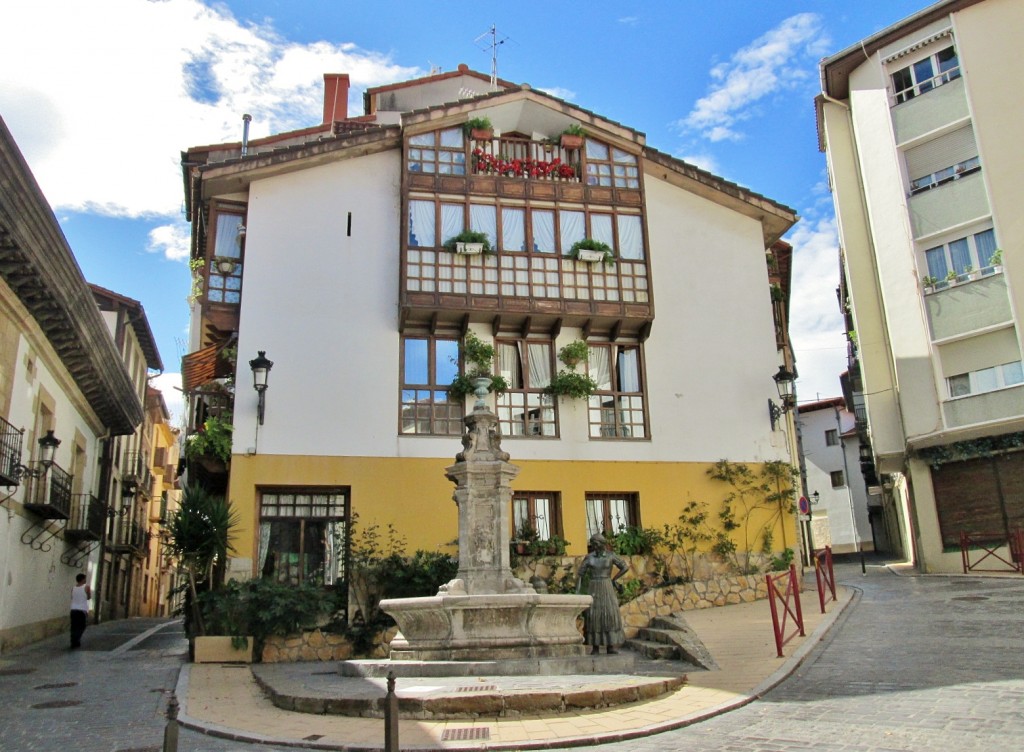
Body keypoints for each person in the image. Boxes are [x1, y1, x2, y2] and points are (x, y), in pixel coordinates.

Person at [576, 534, 629, 654]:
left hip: (607, 585)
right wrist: (577, 591)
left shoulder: (611, 556)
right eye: (592, 544)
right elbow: (580, 574)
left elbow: (624, 567)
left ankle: (611, 645)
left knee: (610, 614)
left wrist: (614, 579)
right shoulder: (589, 557)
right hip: (594, 587)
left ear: (602, 543)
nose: (593, 546)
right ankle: (595, 647)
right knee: (594, 615)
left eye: (595, 544)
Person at [69, 573, 91, 649]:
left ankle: (73, 641)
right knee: (82, 626)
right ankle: (76, 640)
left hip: (73, 609)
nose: (85, 580)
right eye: (84, 578)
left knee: (74, 626)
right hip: (81, 610)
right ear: (82, 579)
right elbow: (89, 597)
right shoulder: (86, 587)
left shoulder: (73, 588)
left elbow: (72, 597)